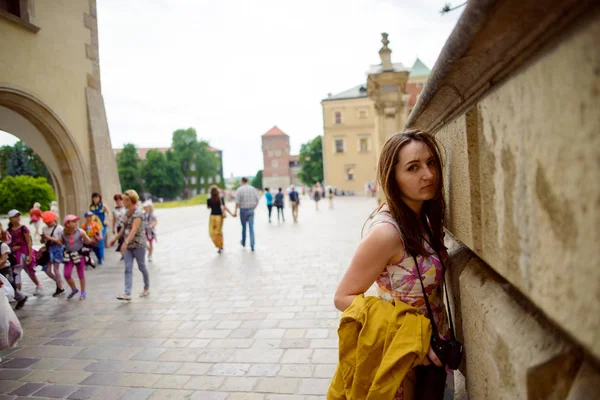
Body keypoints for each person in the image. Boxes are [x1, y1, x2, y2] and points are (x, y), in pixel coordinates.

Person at [333, 130, 451, 398]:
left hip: (431, 352)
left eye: (431, 163)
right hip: (401, 359)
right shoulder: (387, 233)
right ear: (393, 178)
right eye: (413, 167)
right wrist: (411, 337)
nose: (429, 175)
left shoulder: (424, 216)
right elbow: (342, 297)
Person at [110, 189, 150, 300]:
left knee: (142, 267)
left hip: (139, 245)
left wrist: (125, 243)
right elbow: (123, 228)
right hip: (128, 246)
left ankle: (146, 288)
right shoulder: (126, 213)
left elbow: (134, 230)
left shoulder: (138, 213)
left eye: (125, 200)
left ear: (130, 201)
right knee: (128, 268)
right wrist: (115, 239)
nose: (123, 202)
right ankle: (127, 293)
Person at [7, 210, 42, 296]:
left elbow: (29, 242)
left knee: (29, 271)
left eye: (18, 216)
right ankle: (18, 293)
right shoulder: (9, 230)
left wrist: (30, 255)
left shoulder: (23, 228)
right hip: (15, 254)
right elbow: (8, 242)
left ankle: (39, 285)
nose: (17, 218)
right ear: (10, 218)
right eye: (15, 216)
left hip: (25, 252)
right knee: (16, 272)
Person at [60, 215, 93, 300]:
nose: (76, 223)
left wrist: (84, 236)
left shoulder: (80, 231)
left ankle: (83, 292)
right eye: (73, 221)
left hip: (79, 255)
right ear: (67, 224)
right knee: (66, 274)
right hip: (69, 256)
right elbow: (61, 243)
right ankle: (74, 289)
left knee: (81, 274)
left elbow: (89, 241)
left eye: (76, 221)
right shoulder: (63, 234)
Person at [0, 229, 28, 309]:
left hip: (5, 269)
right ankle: (20, 297)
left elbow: (4, 259)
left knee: (9, 285)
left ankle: (21, 297)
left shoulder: (3, 246)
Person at [40, 211, 65, 297]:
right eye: (46, 222)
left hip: (57, 249)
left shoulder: (59, 228)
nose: (48, 223)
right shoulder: (44, 228)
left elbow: (61, 242)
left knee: (56, 269)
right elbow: (43, 241)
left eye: (49, 221)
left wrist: (50, 238)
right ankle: (59, 282)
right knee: (47, 270)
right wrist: (43, 239)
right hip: (48, 249)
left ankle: (59, 287)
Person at [234, 177, 260, 251]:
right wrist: (254, 207)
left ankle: (244, 242)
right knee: (251, 228)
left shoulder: (239, 189)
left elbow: (237, 201)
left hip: (243, 210)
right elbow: (258, 199)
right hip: (251, 210)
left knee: (244, 227)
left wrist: (235, 211)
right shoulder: (253, 189)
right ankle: (252, 245)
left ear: (242, 181)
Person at [207, 186, 234, 253]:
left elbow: (208, 207)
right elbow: (224, 207)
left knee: (212, 232)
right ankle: (220, 245)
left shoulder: (209, 200)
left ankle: (219, 246)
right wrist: (231, 214)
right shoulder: (220, 199)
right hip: (219, 217)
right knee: (218, 231)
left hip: (212, 216)